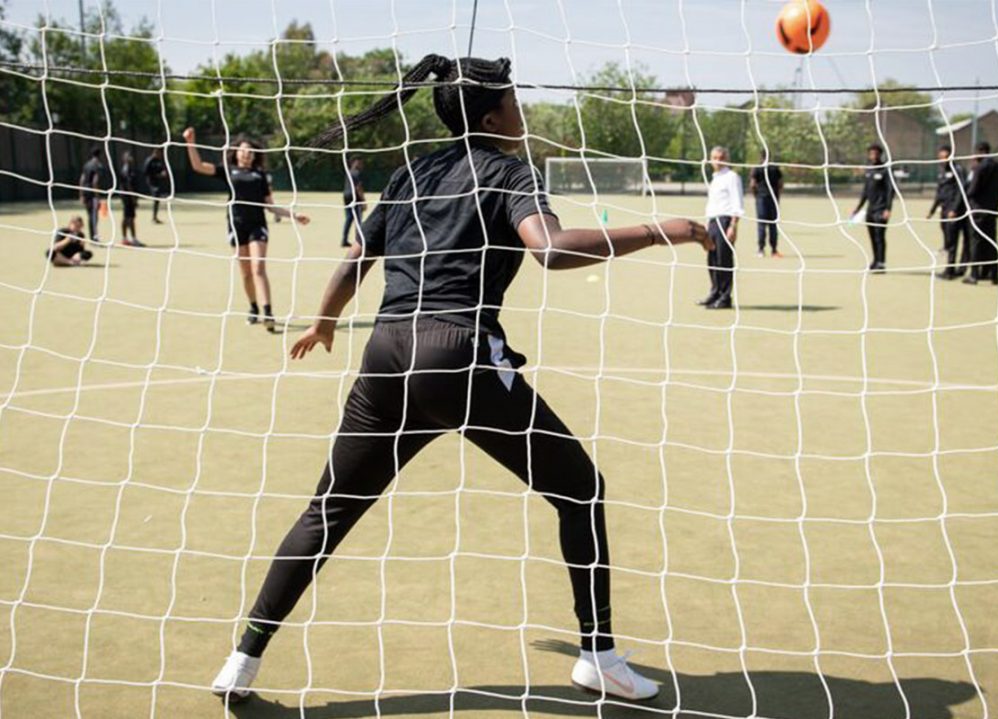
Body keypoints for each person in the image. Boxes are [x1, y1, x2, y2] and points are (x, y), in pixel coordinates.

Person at [210, 53, 711, 705]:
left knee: (327, 511)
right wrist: (664, 228)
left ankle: (242, 658)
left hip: (386, 356)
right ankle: (600, 655)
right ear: (492, 113)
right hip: (458, 357)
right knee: (581, 489)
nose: (521, 112)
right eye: (514, 101)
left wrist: (325, 321)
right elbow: (550, 248)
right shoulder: (508, 170)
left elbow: (355, 261)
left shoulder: (410, 173)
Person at [182, 129, 310, 330]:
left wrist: (294, 216)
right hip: (236, 225)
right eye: (243, 151)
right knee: (246, 273)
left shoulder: (260, 175)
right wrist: (191, 142)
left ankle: (268, 313)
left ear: (254, 155)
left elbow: (270, 205)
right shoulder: (227, 170)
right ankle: (253, 308)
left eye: (250, 151)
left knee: (258, 267)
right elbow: (198, 166)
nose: (247, 154)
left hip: (257, 226)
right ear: (237, 153)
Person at [697, 146, 743, 310]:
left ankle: (725, 297)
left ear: (726, 159)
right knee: (712, 259)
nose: (717, 161)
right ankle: (714, 292)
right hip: (713, 222)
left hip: (725, 220)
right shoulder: (715, 178)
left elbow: (737, 202)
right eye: (714, 157)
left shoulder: (732, 177)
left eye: (720, 157)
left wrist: (733, 225)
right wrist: (707, 223)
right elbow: (712, 203)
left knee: (724, 259)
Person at [963, 141, 998, 285]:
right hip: (993, 209)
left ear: (979, 151)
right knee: (992, 242)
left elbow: (972, 190)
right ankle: (995, 275)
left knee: (976, 242)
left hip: (978, 210)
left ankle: (974, 275)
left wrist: (969, 188)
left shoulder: (979, 168)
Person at [850, 144, 894, 273]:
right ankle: (875, 261)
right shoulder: (869, 170)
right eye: (871, 153)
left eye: (875, 153)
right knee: (872, 236)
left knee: (880, 236)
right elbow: (865, 191)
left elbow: (890, 191)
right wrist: (858, 208)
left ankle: (881, 263)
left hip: (881, 209)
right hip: (870, 210)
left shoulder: (885, 170)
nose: (873, 156)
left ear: (880, 154)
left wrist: (888, 209)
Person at [927, 145, 967, 279]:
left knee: (953, 240)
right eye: (941, 158)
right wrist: (932, 210)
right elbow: (939, 193)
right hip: (944, 210)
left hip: (954, 211)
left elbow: (961, 190)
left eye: (945, 157)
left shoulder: (958, 170)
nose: (942, 160)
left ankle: (952, 270)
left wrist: (955, 209)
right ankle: (951, 268)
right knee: (948, 241)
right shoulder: (941, 171)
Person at [749, 149, 783, 258]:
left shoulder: (757, 168)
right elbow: (780, 184)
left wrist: (756, 195)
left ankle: (761, 250)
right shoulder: (775, 168)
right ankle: (774, 250)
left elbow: (752, 184)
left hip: (761, 199)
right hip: (773, 199)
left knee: (761, 225)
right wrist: (777, 196)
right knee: (773, 225)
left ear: (761, 156)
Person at [79, 147, 106, 243]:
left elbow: (82, 179)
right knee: (94, 216)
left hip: (86, 192)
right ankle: (94, 237)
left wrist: (81, 194)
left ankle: (92, 236)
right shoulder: (98, 166)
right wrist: (97, 197)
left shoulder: (86, 165)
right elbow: (95, 182)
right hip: (92, 194)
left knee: (90, 215)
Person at [118, 151, 145, 247]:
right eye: (128, 156)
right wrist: (133, 198)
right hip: (128, 198)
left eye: (131, 156)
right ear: (124, 159)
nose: (131, 158)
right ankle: (132, 239)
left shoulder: (130, 169)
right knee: (129, 218)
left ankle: (126, 238)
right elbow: (128, 185)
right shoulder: (127, 170)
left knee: (128, 217)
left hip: (127, 197)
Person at [341, 157, 365, 247]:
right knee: (358, 219)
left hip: (346, 195)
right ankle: (358, 240)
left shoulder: (348, 172)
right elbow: (358, 187)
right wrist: (363, 201)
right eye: (359, 163)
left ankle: (344, 239)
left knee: (349, 218)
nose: (361, 165)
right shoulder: (356, 173)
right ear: (354, 163)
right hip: (354, 196)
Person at [143, 147, 170, 224]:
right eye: (159, 153)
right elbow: (145, 172)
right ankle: (154, 218)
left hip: (158, 182)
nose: (160, 154)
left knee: (157, 199)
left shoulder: (159, 161)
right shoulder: (149, 160)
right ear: (155, 152)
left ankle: (155, 217)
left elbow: (161, 169)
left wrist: (163, 173)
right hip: (152, 182)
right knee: (156, 197)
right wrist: (157, 175)